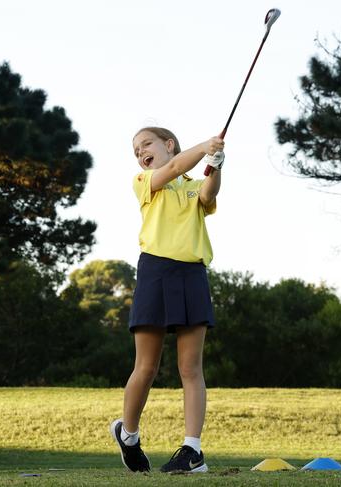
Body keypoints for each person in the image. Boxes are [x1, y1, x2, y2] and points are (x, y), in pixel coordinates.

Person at [110, 127, 225, 474]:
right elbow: (174, 169)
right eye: (136, 149)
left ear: (168, 144)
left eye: (146, 144)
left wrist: (216, 165)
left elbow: (206, 196)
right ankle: (128, 435)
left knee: (191, 368)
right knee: (146, 367)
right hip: (155, 272)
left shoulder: (190, 186)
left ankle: (192, 450)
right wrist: (205, 147)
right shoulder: (145, 182)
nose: (140, 152)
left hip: (191, 274)